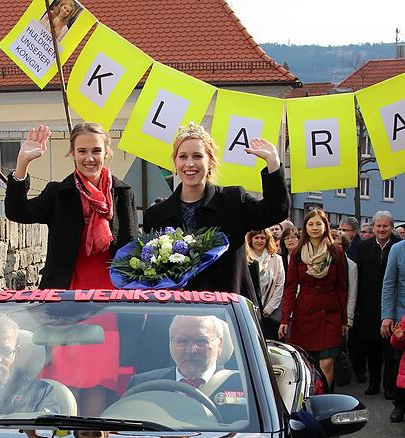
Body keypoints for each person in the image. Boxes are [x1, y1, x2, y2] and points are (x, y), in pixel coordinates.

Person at [143, 122, 289, 304]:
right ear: (175, 162)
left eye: (197, 156)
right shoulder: (156, 215)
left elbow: (275, 211)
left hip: (227, 314)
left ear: (210, 161)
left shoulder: (234, 201)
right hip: (177, 315)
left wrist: (273, 165)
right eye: (183, 157)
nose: (190, 164)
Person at [6, 122, 139, 290]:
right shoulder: (58, 193)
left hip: (114, 297)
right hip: (65, 295)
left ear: (106, 153)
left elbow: (132, 244)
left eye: (96, 151)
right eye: (82, 151)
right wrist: (22, 163)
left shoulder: (123, 193)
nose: (89, 158)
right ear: (73, 154)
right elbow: (17, 212)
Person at [129, 315, 244, 421]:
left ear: (219, 344)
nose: (191, 350)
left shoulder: (244, 386)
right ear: (171, 344)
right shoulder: (143, 386)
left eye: (201, 341)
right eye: (182, 342)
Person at [279, 210, 347, 386]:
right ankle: (308, 402)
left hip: (330, 314)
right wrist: (285, 319)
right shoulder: (297, 253)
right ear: (305, 228)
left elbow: (341, 288)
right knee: (306, 363)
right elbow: (290, 288)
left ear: (325, 226)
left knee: (327, 362)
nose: (315, 228)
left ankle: (325, 400)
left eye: (318, 223)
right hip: (304, 314)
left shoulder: (336, 252)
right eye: (311, 224)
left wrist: (344, 320)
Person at [354, 211, 399, 395]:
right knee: (371, 348)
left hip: (392, 304)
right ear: (373, 227)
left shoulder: (398, 247)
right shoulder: (363, 247)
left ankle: (389, 387)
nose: (381, 229)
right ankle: (373, 383)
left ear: (392, 227)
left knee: (390, 349)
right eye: (378, 226)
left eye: (385, 226)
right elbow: (358, 278)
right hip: (369, 304)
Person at [380, 231, 405, 420]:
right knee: (399, 363)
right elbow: (389, 284)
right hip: (401, 315)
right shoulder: (397, 250)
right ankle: (399, 405)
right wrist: (387, 316)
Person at [245, 229, 284, 339]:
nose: (259, 241)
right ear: (250, 240)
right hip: (249, 308)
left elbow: (280, 285)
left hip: (269, 312)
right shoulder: (245, 258)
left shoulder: (276, 259)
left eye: (262, 238)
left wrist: (269, 308)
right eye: (256, 238)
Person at [330, 230, 358, 331]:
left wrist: (348, 319)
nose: (335, 247)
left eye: (338, 244)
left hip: (341, 314)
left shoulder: (351, 266)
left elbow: (352, 294)